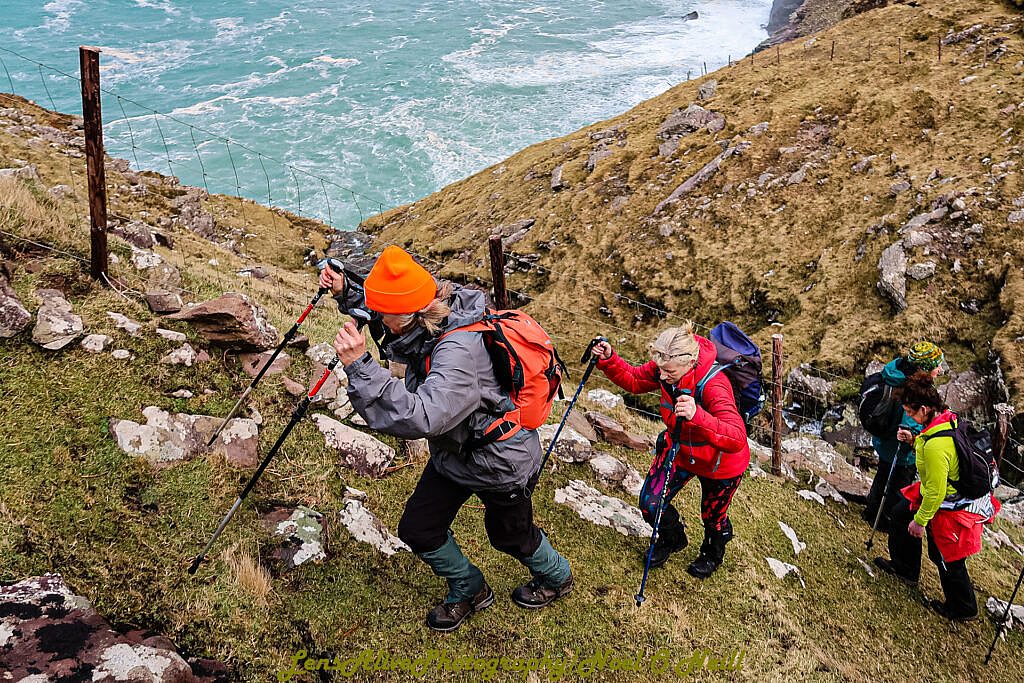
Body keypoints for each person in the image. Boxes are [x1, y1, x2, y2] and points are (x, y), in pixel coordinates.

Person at [322, 246, 572, 632]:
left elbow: (424, 416)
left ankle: (557, 576)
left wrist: (361, 367)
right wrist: (346, 293)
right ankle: (470, 588)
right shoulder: (424, 313)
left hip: (499, 460)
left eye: (383, 314)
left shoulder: (458, 350)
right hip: (455, 455)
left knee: (510, 537)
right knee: (418, 529)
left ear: (408, 314)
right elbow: (389, 320)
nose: (378, 320)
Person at [592, 323, 750, 579]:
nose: (662, 377)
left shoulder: (714, 385)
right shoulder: (665, 367)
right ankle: (672, 538)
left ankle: (713, 552)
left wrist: (698, 415)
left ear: (690, 363)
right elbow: (634, 379)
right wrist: (609, 359)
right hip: (678, 450)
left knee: (713, 516)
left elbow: (736, 438)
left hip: (720, 464)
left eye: (669, 373)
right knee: (650, 504)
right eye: (661, 370)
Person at [874, 377, 1000, 621]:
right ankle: (905, 569)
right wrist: (913, 441)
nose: (908, 416)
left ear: (924, 409)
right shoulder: (945, 418)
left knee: (944, 553)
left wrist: (920, 522)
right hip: (949, 491)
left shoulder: (935, 445)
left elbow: (935, 492)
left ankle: (963, 607)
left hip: (952, 502)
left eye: (910, 412)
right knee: (900, 513)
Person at [861, 342, 946, 532]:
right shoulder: (915, 389)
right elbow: (915, 421)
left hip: (884, 440)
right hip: (903, 447)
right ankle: (887, 520)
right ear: (924, 368)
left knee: (882, 474)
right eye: (936, 365)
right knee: (899, 485)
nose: (939, 369)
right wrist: (913, 438)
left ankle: (872, 510)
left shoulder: (894, 372)